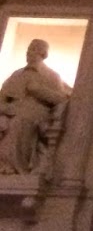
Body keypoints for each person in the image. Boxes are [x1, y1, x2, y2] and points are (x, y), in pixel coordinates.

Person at [0, 38, 70, 175]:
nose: (29, 53)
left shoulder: (51, 75)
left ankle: (13, 165)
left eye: (33, 50)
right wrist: (4, 107)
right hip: (11, 109)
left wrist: (38, 90)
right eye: (28, 50)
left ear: (43, 54)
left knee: (20, 122)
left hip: (36, 111)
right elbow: (3, 95)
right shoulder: (17, 74)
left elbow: (61, 98)